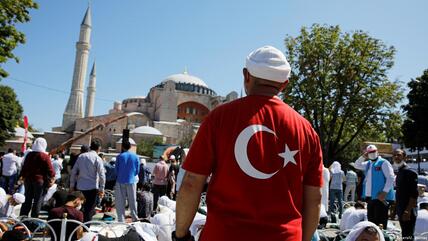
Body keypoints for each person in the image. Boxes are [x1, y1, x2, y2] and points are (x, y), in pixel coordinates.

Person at [175, 46, 324, 241]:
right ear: (284, 84)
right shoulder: (306, 130)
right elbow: (314, 198)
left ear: (246, 75)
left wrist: (181, 235)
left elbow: (191, 183)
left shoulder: (219, 118)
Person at [354, 144, 395, 228]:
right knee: (371, 222)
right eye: (370, 152)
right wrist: (363, 156)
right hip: (371, 197)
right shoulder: (368, 163)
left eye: (373, 151)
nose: (372, 153)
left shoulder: (383, 162)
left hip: (381, 197)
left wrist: (384, 192)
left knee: (380, 222)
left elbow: (391, 177)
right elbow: (356, 165)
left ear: (377, 152)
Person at [70, 140, 106, 222]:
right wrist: (102, 189)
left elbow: (74, 172)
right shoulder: (98, 158)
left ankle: (77, 227)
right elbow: (102, 175)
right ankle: (85, 229)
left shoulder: (81, 157)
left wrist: (72, 186)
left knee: (79, 208)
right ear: (99, 148)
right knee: (89, 210)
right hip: (92, 188)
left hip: (80, 187)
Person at [19, 137, 55, 218]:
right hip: (39, 181)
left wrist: (23, 176)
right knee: (37, 201)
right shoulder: (44, 156)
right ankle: (34, 220)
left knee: (27, 200)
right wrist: (52, 178)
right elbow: (51, 171)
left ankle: (22, 218)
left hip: (28, 180)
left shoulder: (29, 155)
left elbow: (24, 167)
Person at [393, 149, 418, 241]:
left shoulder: (410, 172)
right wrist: (395, 210)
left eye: (398, 155)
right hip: (401, 210)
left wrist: (407, 211)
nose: (396, 157)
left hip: (408, 211)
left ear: (404, 157)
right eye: (394, 155)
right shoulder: (400, 171)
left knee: (408, 236)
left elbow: (414, 194)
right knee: (405, 235)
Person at [114, 141, 140, 222]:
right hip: (131, 180)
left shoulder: (119, 156)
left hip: (120, 180)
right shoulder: (135, 157)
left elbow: (116, 170)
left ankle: (121, 219)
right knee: (132, 200)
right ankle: (135, 217)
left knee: (120, 201)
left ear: (122, 147)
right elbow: (137, 171)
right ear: (130, 147)